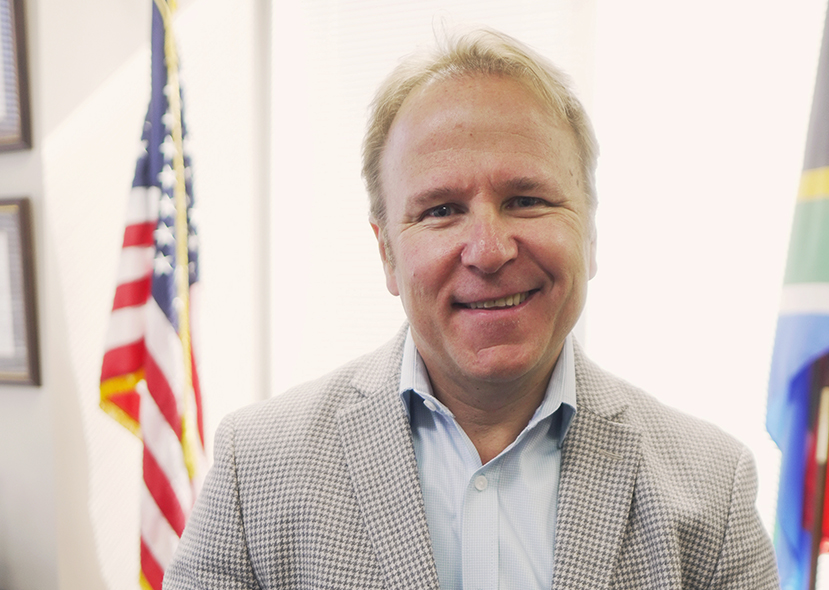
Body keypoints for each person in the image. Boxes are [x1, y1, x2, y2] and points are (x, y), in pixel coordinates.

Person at [164, 28, 779, 590]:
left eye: (528, 199)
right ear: (386, 255)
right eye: (439, 210)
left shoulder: (711, 490)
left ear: (590, 235)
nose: (489, 251)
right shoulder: (259, 469)